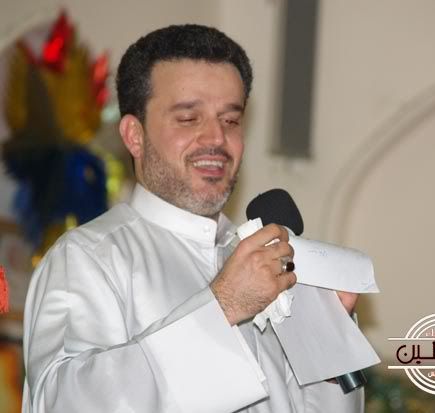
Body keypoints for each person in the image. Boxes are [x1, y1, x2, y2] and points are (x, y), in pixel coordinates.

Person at [22, 24, 364, 412]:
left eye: (230, 120)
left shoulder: (264, 259)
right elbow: (66, 403)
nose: (216, 138)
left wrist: (327, 342)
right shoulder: (88, 257)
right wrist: (222, 307)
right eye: (188, 118)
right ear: (134, 136)